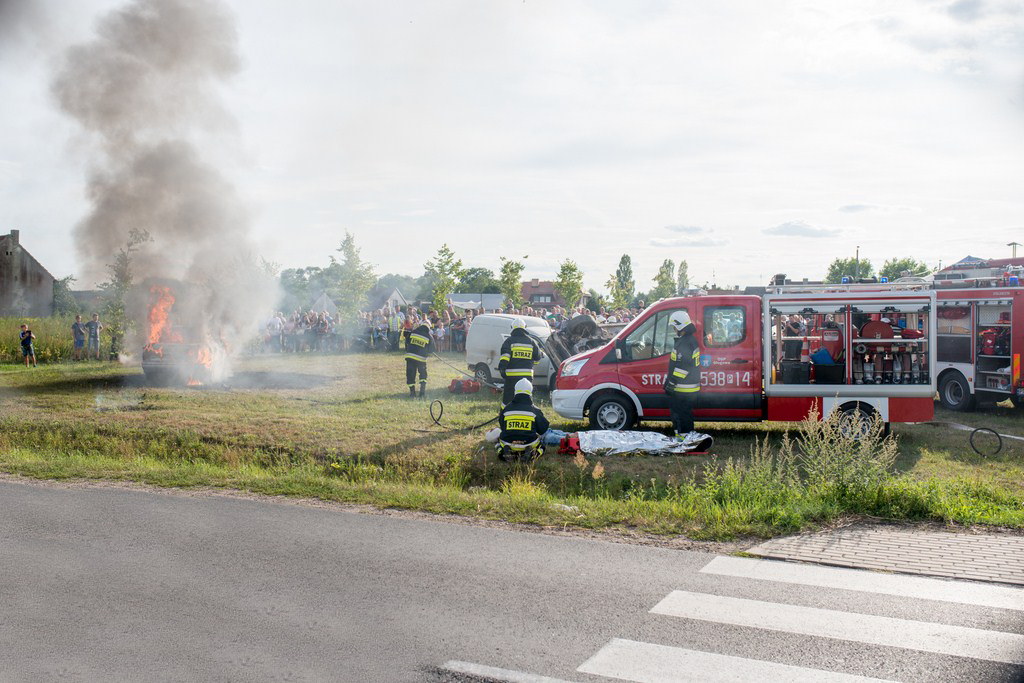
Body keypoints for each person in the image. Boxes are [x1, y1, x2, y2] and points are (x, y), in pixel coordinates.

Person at [663, 310, 700, 438]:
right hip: (687, 387)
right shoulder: (689, 340)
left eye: (674, 326)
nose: (673, 329)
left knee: (680, 414)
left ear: (679, 326)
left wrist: (671, 383)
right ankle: (686, 438)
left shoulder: (685, 342)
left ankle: (683, 440)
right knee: (685, 414)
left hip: (683, 388)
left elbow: (684, 366)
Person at [496, 379, 550, 462]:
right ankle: (532, 454)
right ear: (530, 392)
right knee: (542, 446)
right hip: (529, 443)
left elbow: (502, 426)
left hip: (508, 442)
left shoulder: (506, 408)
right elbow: (543, 429)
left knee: (498, 444)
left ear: (515, 391)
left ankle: (503, 452)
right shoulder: (535, 410)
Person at [497, 318, 543, 406]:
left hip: (511, 377)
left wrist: (502, 369)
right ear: (524, 328)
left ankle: (504, 416)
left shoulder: (509, 341)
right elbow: (537, 357)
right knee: (526, 398)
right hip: (527, 377)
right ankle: (525, 414)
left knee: (508, 399)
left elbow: (505, 357)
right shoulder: (532, 341)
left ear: (512, 328)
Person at [404, 318, 434, 398]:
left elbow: (407, 341)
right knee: (423, 374)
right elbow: (432, 350)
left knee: (410, 374)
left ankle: (412, 393)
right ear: (429, 328)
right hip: (421, 359)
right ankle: (422, 392)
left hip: (410, 357)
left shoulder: (413, 332)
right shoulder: (429, 336)